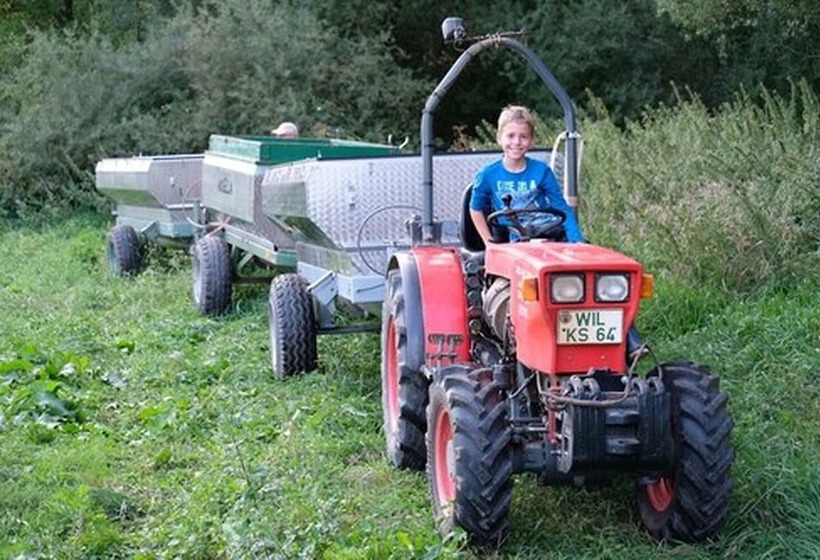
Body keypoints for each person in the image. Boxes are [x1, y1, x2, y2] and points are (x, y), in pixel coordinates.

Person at [470, 105, 648, 363]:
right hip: (518, 240)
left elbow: (561, 207)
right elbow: (476, 209)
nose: (516, 142)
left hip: (551, 235)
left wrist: (577, 241)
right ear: (499, 137)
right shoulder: (488, 175)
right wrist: (489, 242)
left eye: (522, 137)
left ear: (530, 140)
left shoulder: (541, 172)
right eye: (510, 136)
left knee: (600, 277)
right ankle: (529, 344)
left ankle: (628, 339)